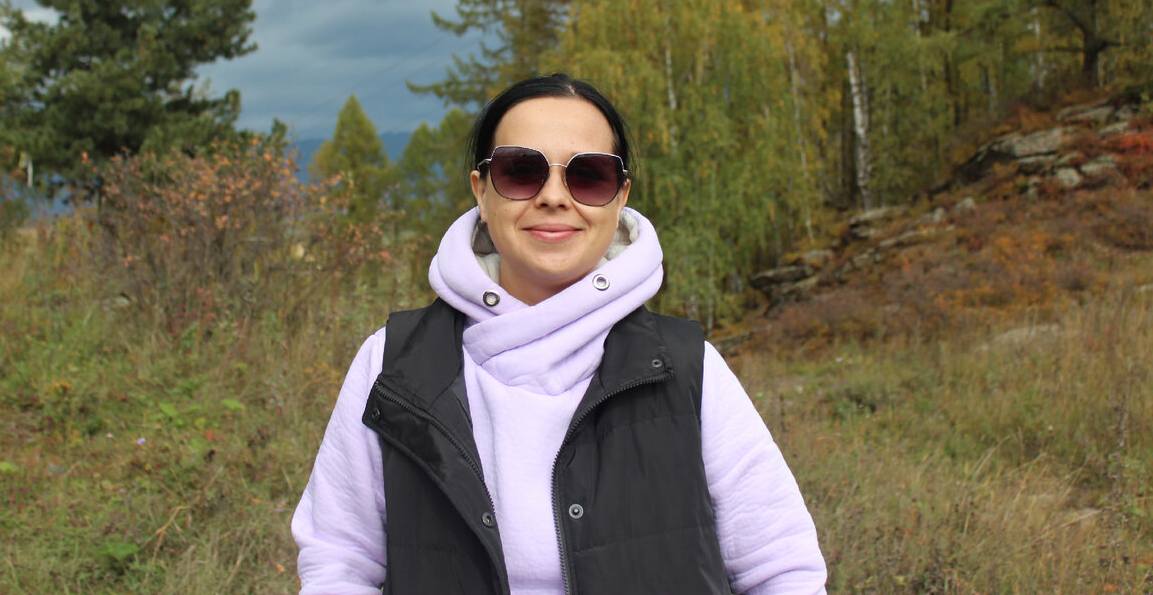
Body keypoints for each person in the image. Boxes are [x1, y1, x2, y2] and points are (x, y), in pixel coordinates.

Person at [292, 73, 827, 595]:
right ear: (481, 192)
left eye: (588, 175)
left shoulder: (688, 369)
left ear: (620, 198)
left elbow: (782, 569)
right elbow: (338, 565)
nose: (553, 196)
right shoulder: (393, 364)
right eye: (521, 171)